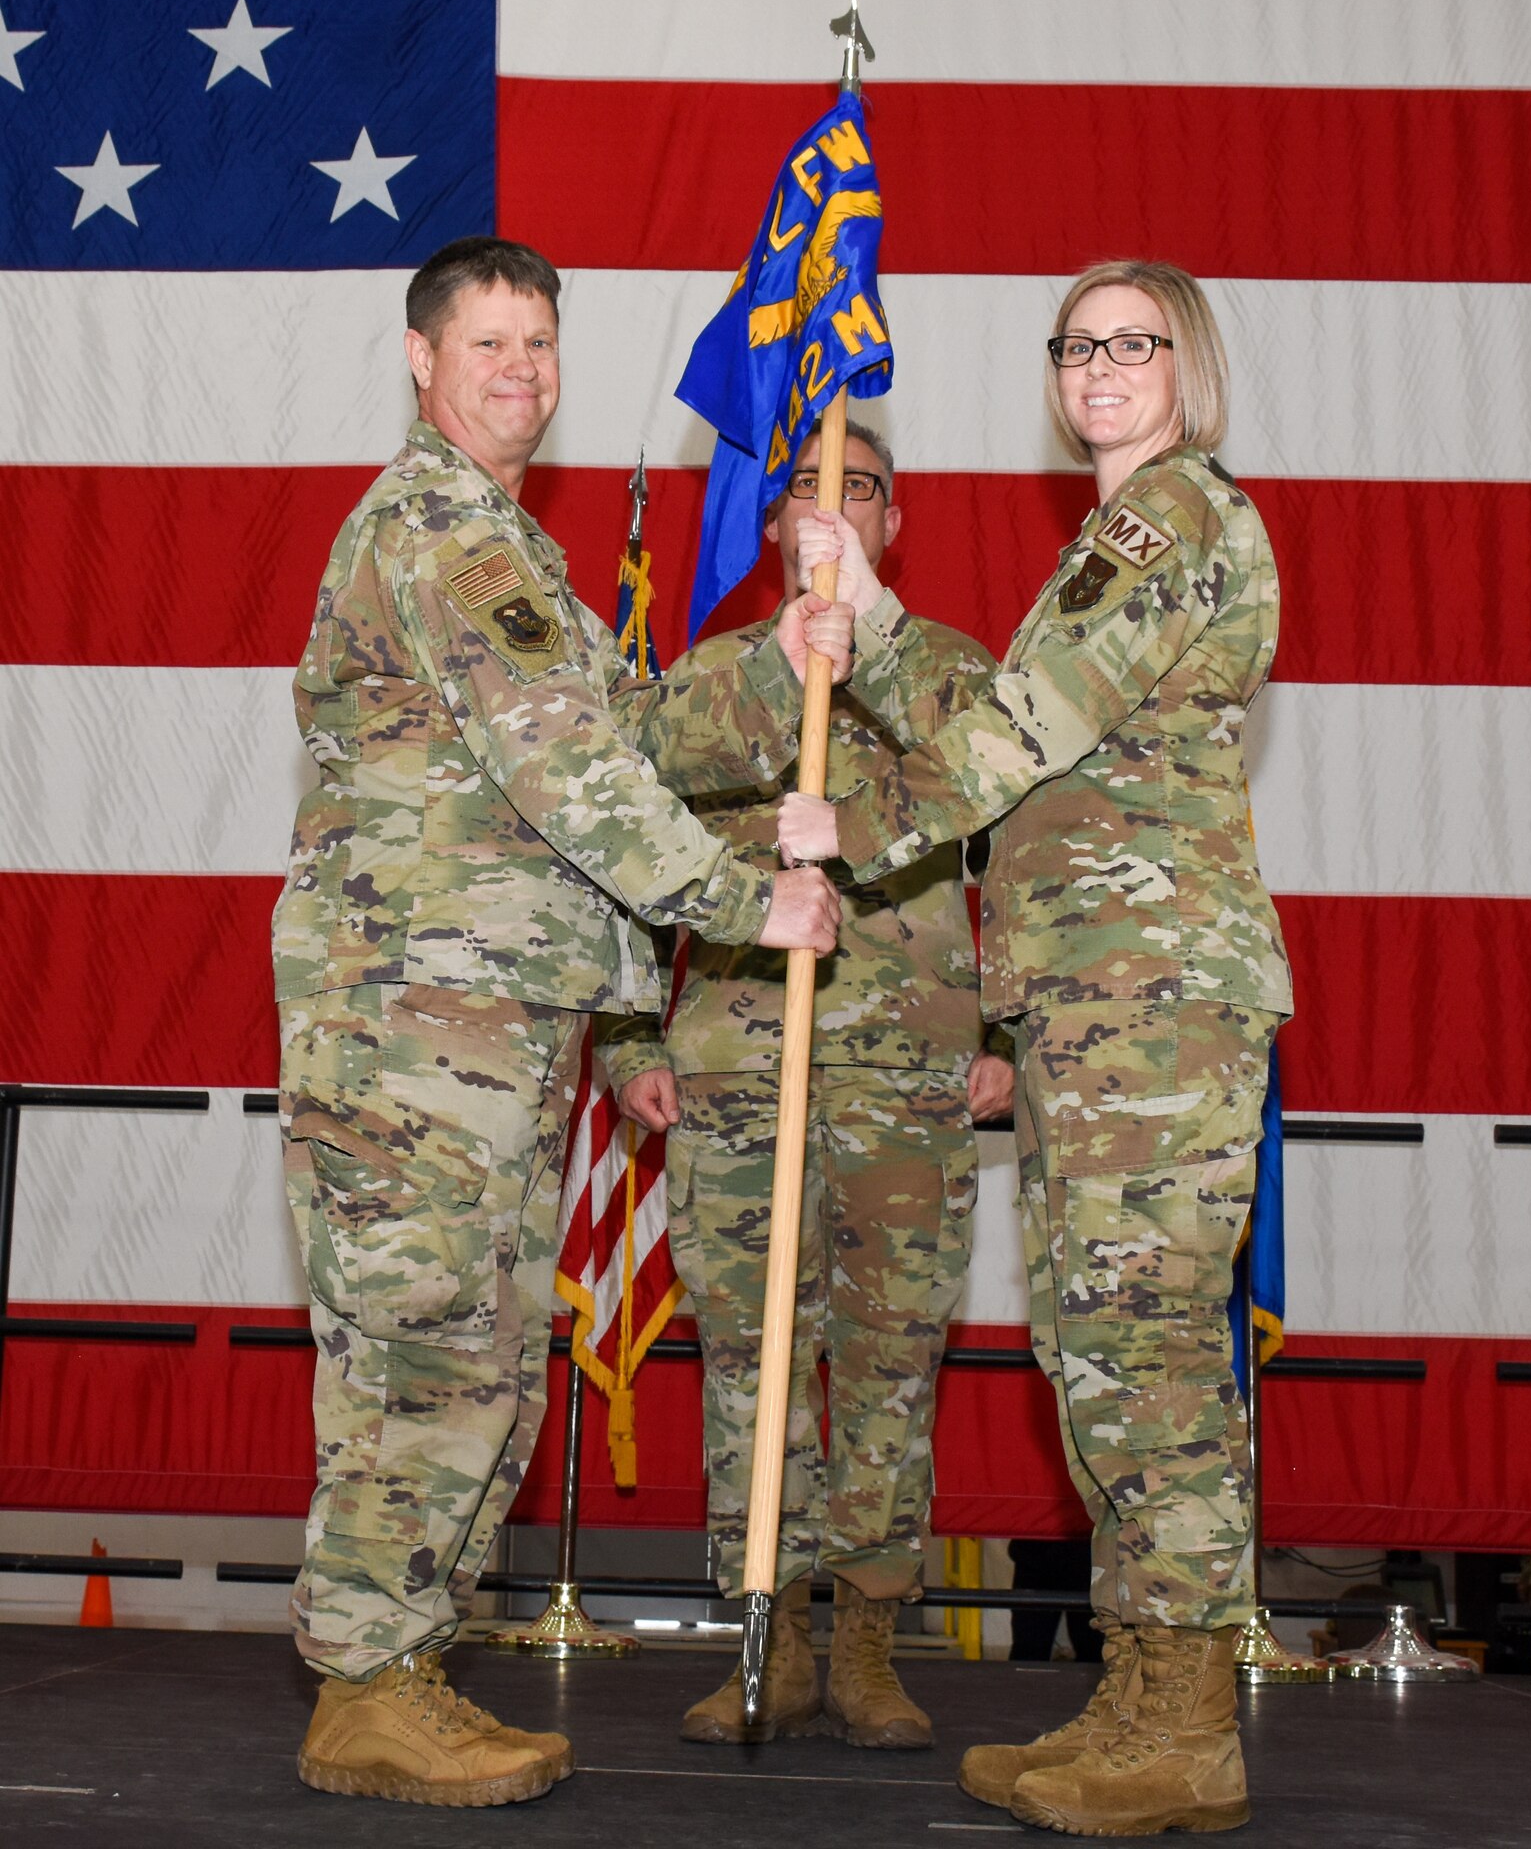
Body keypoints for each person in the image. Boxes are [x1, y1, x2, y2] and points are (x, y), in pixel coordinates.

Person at [272, 235, 847, 1809]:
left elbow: (629, 720)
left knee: (481, 1352)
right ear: (420, 357)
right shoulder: (440, 535)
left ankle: (407, 1667)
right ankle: (367, 1686)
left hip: (489, 1021)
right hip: (417, 1025)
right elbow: (571, 777)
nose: (519, 371)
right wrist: (750, 900)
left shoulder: (504, 548)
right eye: (489, 345)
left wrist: (773, 667)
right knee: (423, 1352)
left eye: (540, 344)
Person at [778, 262, 1293, 1837]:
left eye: (1134, 342)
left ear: (1188, 365)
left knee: (1139, 1356)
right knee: (1098, 1355)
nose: (1101, 367)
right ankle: (1145, 1694)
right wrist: (868, 616)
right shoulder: (1113, 540)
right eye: (1078, 345)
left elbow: (1017, 732)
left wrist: (845, 826)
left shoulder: (1175, 518)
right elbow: (1019, 701)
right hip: (1095, 1004)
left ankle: (1188, 1720)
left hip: (1152, 1004)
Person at [598, 421, 1014, 1749]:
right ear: (778, 529)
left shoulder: (951, 677)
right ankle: (762, 1635)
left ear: (893, 523)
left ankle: (873, 1642)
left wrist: (1009, 1031)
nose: (833, 515)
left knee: (889, 1359)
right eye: (808, 498)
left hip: (908, 1078)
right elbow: (619, 852)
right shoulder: (716, 681)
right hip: (737, 1070)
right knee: (748, 1363)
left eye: (862, 492)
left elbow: (1026, 866)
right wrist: (627, 1040)